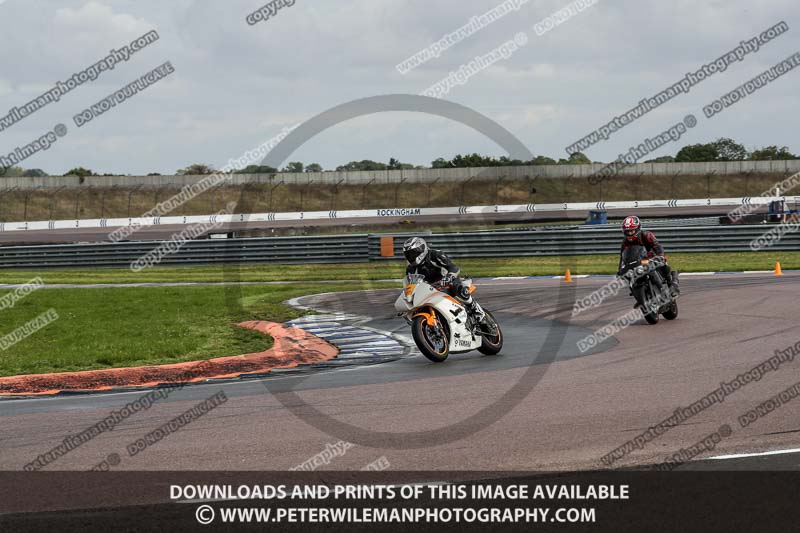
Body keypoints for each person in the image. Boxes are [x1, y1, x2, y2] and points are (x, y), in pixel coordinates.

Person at [402, 237, 487, 326]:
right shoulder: (410, 269)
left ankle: (476, 309)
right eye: (409, 255)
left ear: (422, 248)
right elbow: (411, 285)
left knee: (460, 289)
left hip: (447, 281)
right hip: (431, 289)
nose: (411, 256)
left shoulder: (435, 255)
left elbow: (453, 267)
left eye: (413, 253)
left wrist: (448, 277)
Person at [619, 216, 679, 295]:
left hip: (651, 258)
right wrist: (620, 270)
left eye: (632, 231)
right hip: (637, 262)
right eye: (627, 231)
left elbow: (657, 246)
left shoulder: (646, 235)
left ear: (637, 229)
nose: (630, 233)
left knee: (664, 265)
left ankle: (671, 284)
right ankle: (638, 295)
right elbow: (623, 257)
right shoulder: (625, 242)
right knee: (629, 277)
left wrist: (660, 256)